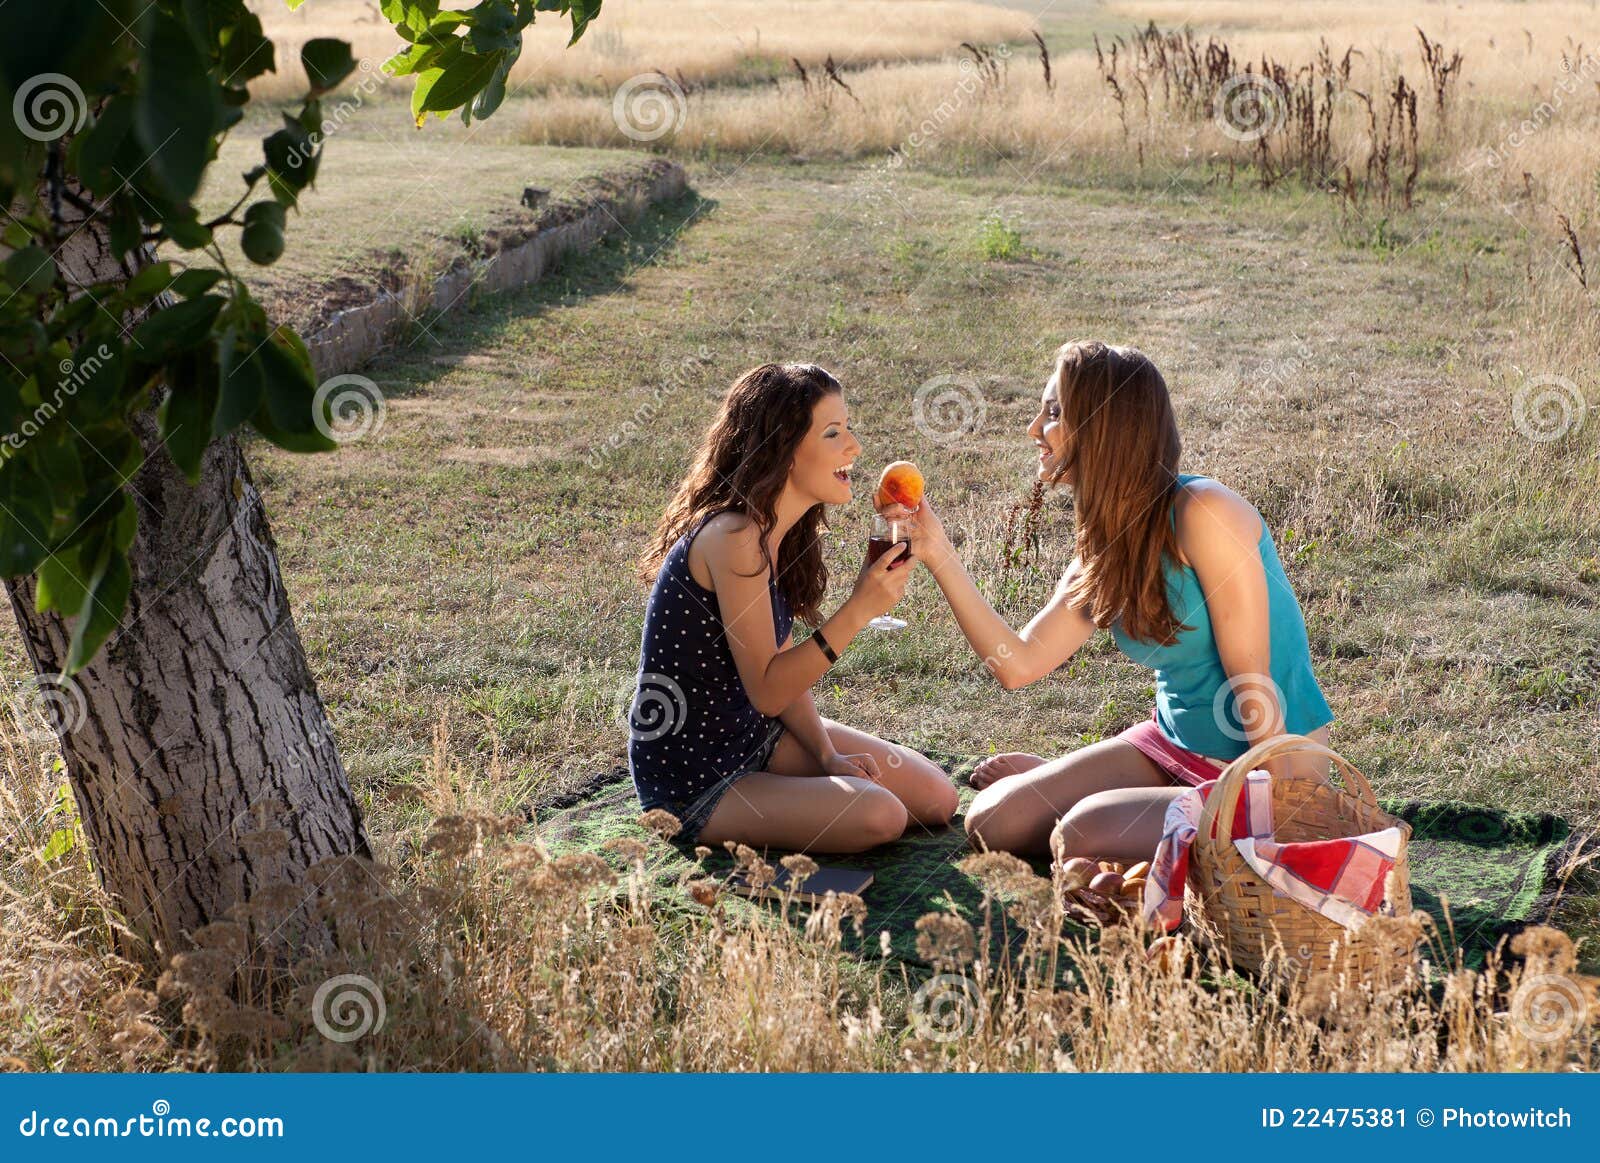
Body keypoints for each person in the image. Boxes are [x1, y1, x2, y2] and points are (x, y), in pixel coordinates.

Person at [884, 341, 1332, 862]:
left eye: (1053, 414)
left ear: (1103, 426)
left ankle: (1104, 804)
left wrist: (1283, 810)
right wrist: (938, 553)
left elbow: (1252, 676)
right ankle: (1098, 795)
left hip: (1262, 765)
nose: (1034, 430)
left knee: (1078, 835)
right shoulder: (1104, 545)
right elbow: (1019, 663)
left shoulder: (1204, 514)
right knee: (990, 821)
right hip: (1172, 746)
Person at [629, 362, 959, 853]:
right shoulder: (733, 537)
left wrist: (826, 756)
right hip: (697, 778)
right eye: (833, 433)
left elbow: (782, 672)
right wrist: (858, 611)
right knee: (881, 813)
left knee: (936, 797)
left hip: (755, 736)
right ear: (784, 451)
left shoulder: (777, 532)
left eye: (848, 429)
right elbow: (767, 688)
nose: (854, 447)